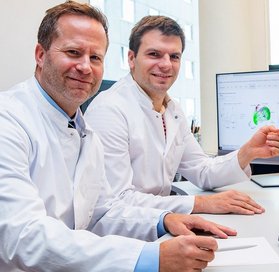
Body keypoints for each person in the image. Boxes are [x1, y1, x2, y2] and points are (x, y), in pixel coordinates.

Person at [0, 2, 236, 271]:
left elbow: (100, 214)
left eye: (96, 58)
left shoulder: (83, 131)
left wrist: (163, 220)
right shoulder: (8, 120)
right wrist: (147, 257)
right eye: (73, 52)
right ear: (40, 55)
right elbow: (22, 237)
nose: (85, 67)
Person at [84, 15, 279, 214]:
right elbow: (118, 200)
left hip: (160, 221)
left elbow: (202, 171)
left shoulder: (172, 110)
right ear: (131, 58)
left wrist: (248, 152)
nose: (166, 65)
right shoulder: (109, 109)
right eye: (154, 54)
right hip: (124, 233)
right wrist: (200, 204)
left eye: (174, 56)